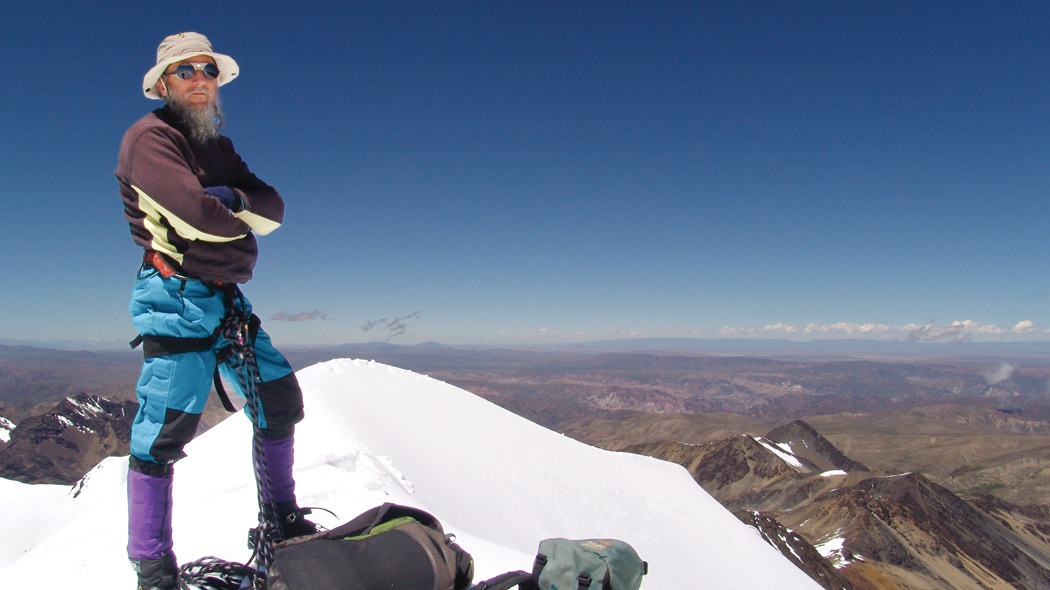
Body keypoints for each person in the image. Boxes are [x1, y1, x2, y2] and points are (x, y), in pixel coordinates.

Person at [116, 32, 315, 590]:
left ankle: (280, 521)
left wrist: (233, 202)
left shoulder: (218, 148)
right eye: (186, 71)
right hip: (174, 298)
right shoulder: (148, 139)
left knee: (277, 400)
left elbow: (272, 210)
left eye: (207, 69)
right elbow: (201, 218)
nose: (200, 78)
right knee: (163, 432)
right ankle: (153, 568)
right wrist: (232, 211)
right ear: (162, 85)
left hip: (224, 297)